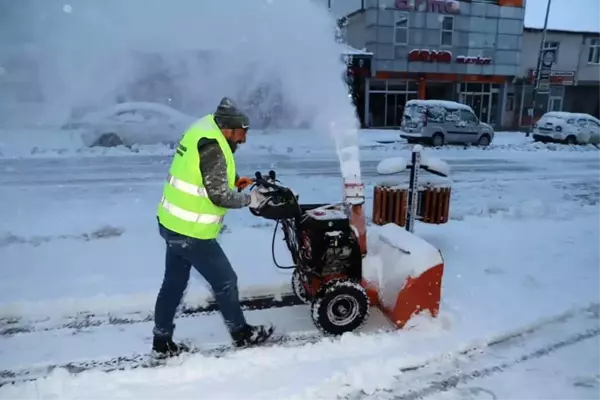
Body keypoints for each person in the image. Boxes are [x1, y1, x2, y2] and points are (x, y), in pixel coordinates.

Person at [153, 97, 274, 357]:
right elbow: (219, 196)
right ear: (228, 129)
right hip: (191, 233)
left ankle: (161, 342)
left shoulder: (203, 129)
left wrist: (234, 181)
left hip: (172, 223)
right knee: (226, 280)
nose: (242, 141)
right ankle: (241, 334)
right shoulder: (214, 148)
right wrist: (251, 198)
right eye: (241, 134)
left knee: (173, 284)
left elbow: (201, 174)